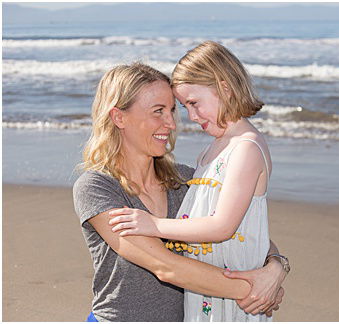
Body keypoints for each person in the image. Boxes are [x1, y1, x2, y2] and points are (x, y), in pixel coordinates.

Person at [73, 62, 286, 322]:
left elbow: (246, 231)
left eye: (173, 110)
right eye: (158, 111)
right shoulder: (97, 187)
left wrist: (276, 267)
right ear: (119, 117)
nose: (171, 123)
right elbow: (165, 266)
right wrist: (256, 292)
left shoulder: (186, 181)